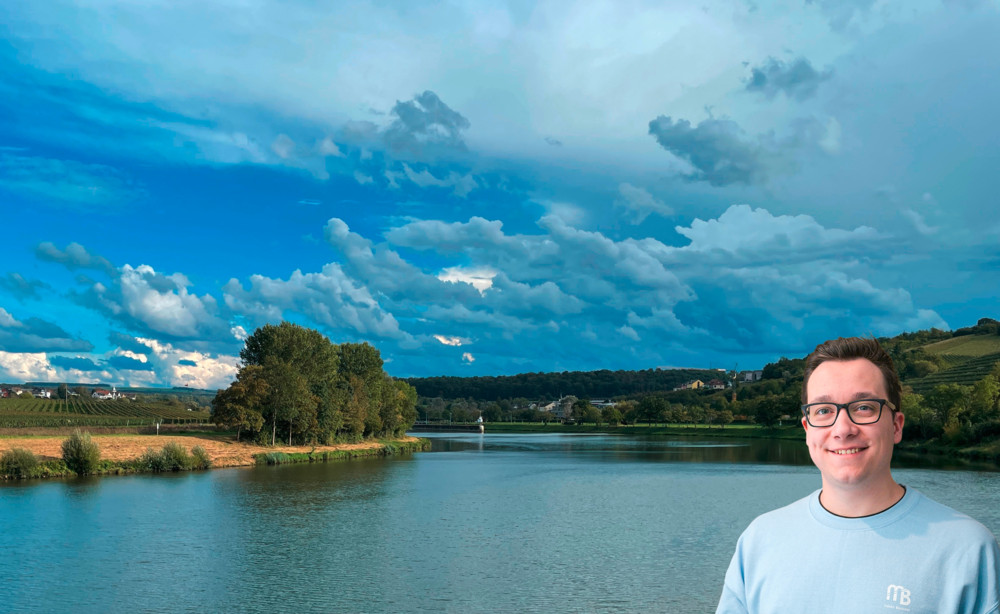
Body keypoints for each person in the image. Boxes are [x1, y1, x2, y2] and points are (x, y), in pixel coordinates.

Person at [716, 337, 1000, 614]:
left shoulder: (968, 549)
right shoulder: (760, 540)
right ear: (807, 429)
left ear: (896, 426)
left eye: (864, 407)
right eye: (824, 410)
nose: (842, 429)